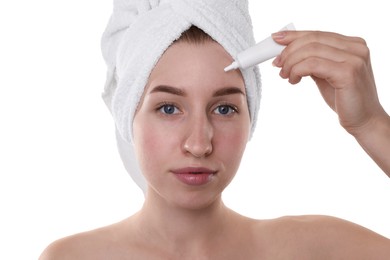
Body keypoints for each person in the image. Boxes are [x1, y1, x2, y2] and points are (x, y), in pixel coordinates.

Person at [39, 1, 390, 259]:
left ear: (251, 117)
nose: (198, 144)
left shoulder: (315, 249)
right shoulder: (72, 256)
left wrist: (371, 124)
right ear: (127, 114)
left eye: (224, 109)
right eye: (169, 108)